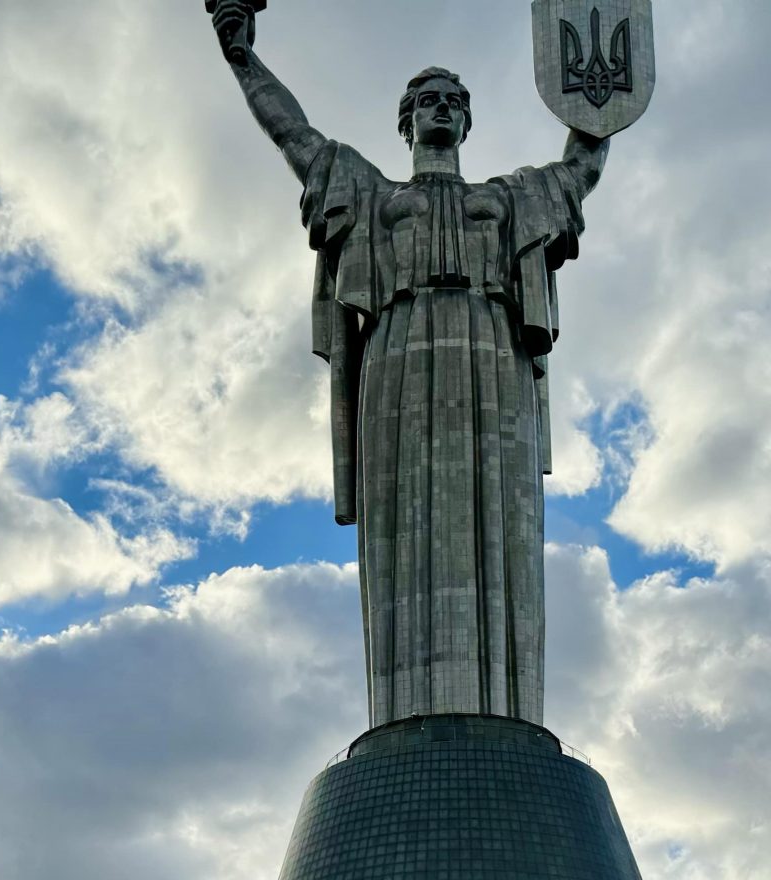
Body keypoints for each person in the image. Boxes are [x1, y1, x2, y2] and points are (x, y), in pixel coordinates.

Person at [208, 0, 610, 730]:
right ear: (406, 119)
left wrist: (600, 92)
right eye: (428, 100)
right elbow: (293, 134)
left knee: (502, 519)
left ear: (466, 122)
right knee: (405, 529)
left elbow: (582, 165)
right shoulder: (372, 195)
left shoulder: (508, 197)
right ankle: (405, 714)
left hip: (493, 352)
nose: (442, 109)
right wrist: (241, 54)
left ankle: (504, 712)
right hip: (397, 355)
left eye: (455, 102)